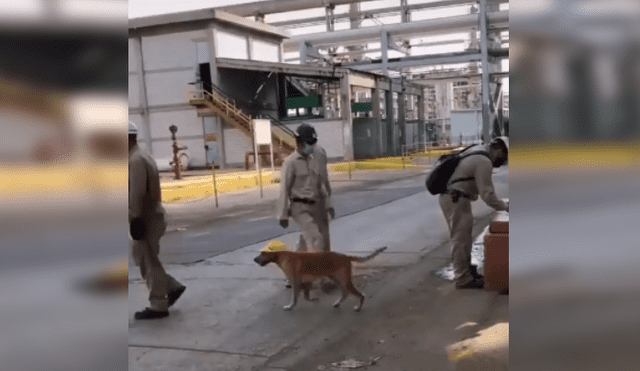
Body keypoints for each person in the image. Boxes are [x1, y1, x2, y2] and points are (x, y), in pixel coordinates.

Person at [129, 122, 186, 319]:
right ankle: (172, 287)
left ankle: (159, 304)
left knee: (148, 262)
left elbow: (137, 193)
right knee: (146, 258)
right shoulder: (142, 155)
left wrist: (136, 218)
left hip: (145, 218)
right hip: (152, 215)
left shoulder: (135, 160)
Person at [439, 136, 509, 289]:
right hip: (456, 199)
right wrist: (506, 207)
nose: (504, 161)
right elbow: (488, 196)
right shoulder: (484, 161)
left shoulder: (477, 150)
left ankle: (466, 271)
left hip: (453, 197)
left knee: (463, 238)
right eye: (505, 156)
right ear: (499, 150)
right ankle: (463, 279)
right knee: (460, 239)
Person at [276, 123, 332, 257]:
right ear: (299, 142)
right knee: (315, 238)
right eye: (309, 143)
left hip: (316, 205)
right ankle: (316, 275)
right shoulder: (290, 163)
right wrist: (283, 215)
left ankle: (299, 267)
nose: (312, 146)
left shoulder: (313, 160)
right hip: (300, 207)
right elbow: (284, 189)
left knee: (323, 239)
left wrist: (328, 205)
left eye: (314, 143)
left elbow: (320, 185)